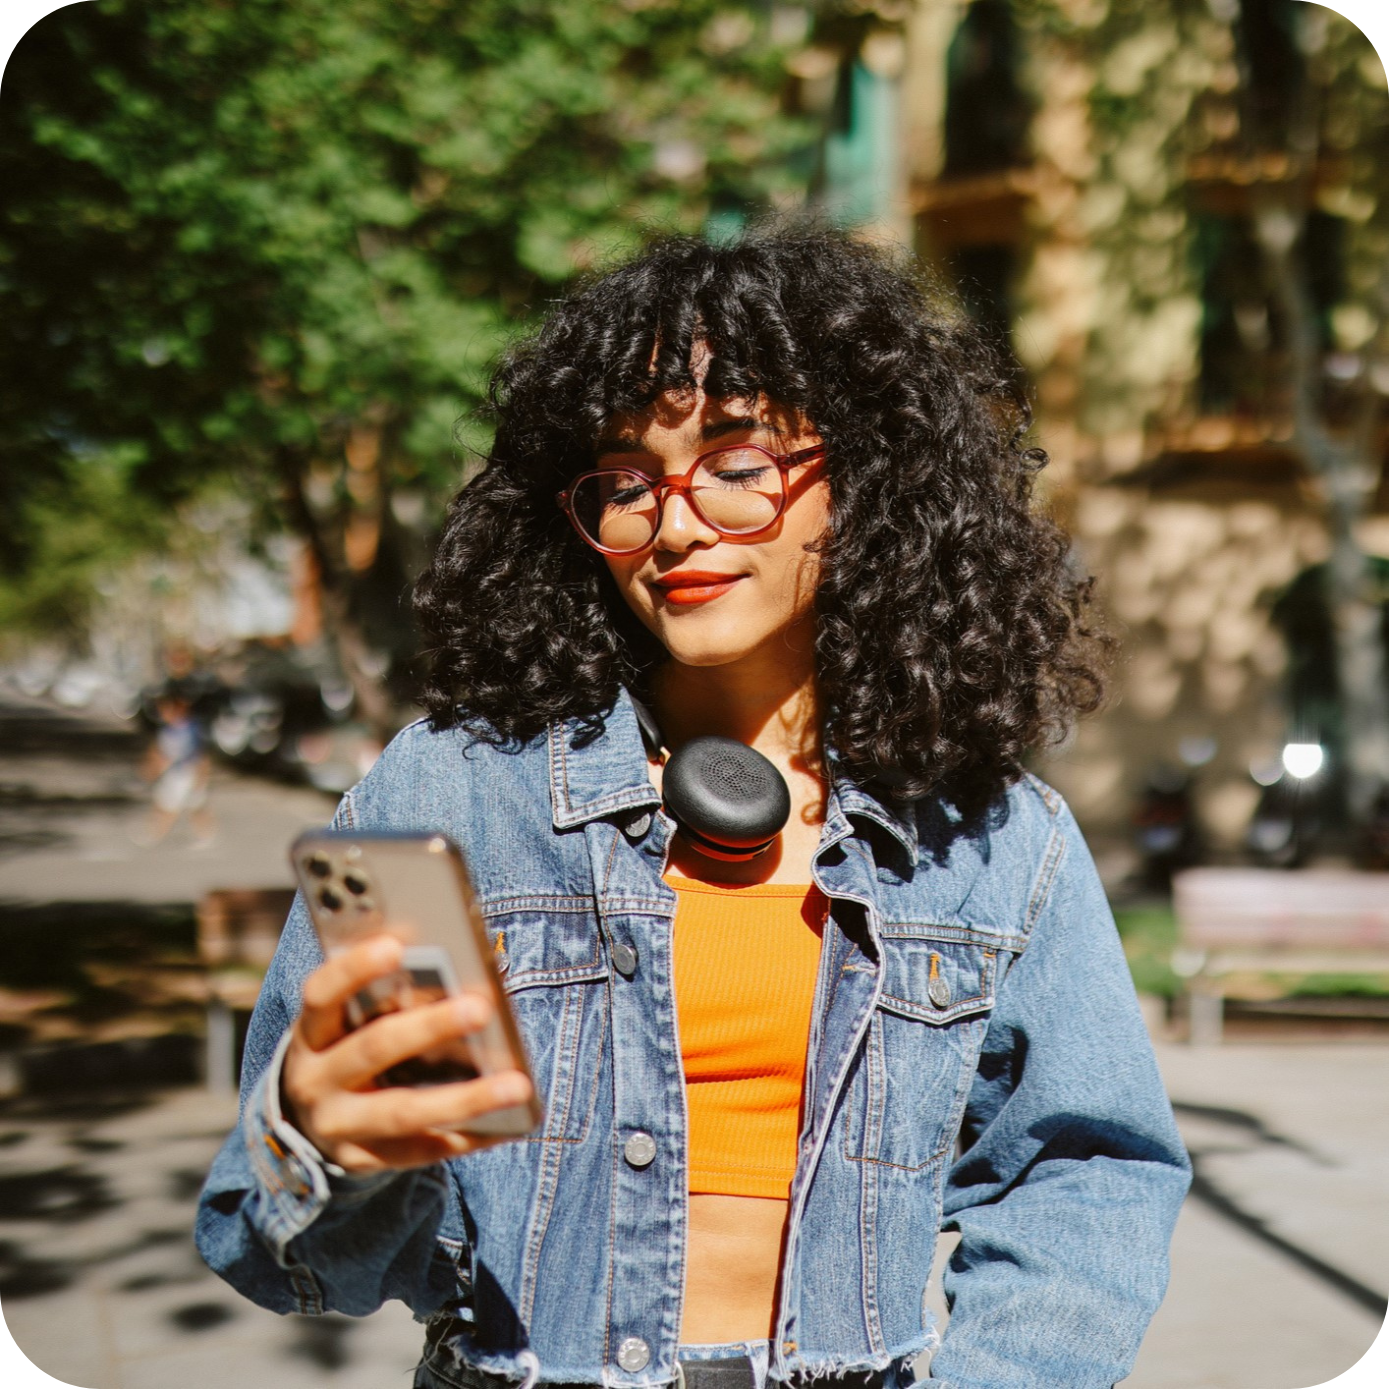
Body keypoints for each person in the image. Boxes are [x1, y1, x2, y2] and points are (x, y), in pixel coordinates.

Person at [196, 229, 1190, 1389]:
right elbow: (289, 1256)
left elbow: (1085, 1175)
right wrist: (321, 1145)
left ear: (868, 479)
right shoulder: (444, 794)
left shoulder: (994, 839)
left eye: (736, 461)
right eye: (625, 481)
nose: (672, 523)